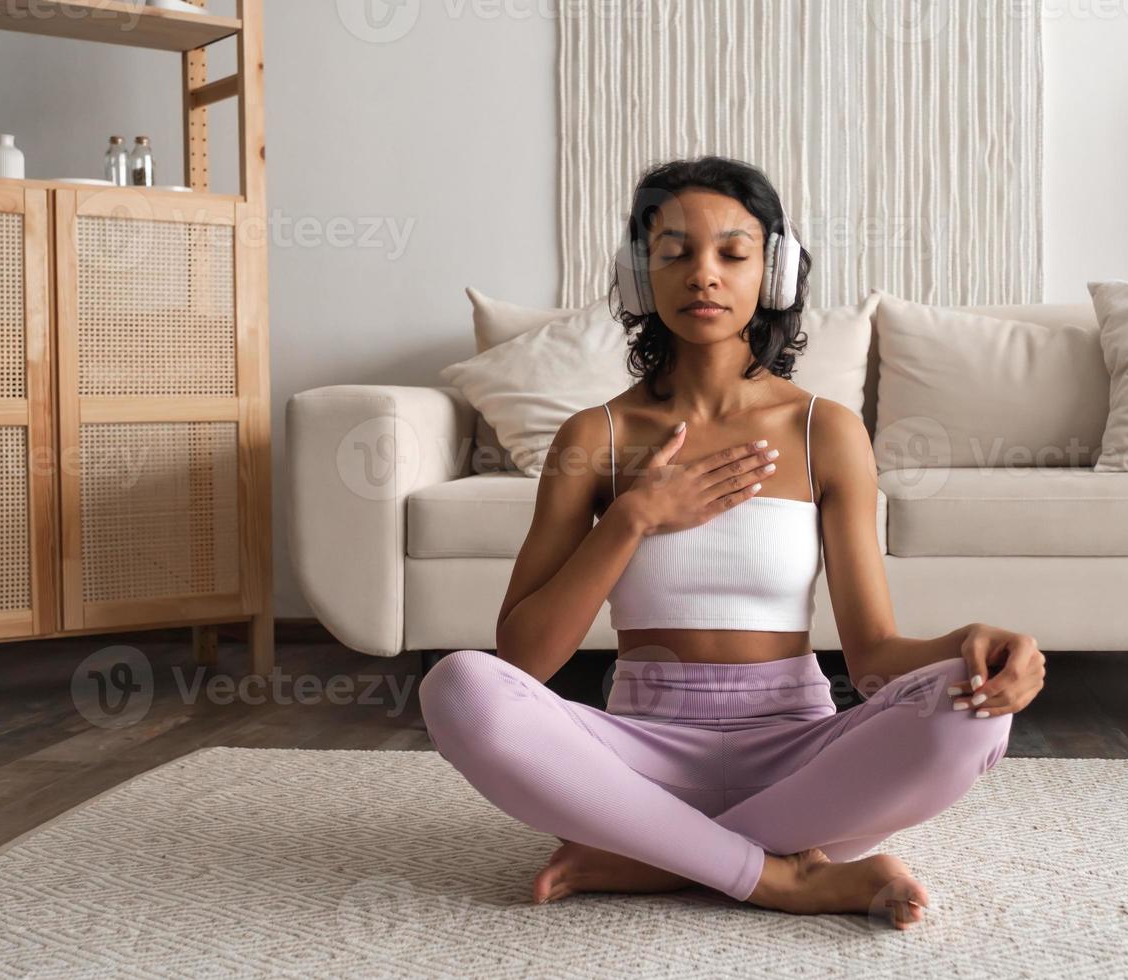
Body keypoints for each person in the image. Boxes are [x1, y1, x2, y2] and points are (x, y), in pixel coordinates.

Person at [419, 155, 1046, 930]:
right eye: (675, 252)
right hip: (633, 762)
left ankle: (655, 858)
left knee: (972, 711)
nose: (703, 274)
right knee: (458, 689)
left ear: (772, 272)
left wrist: (972, 642)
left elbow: (874, 659)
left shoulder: (826, 431)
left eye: (732, 253)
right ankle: (781, 878)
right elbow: (520, 661)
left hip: (799, 762)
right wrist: (632, 518)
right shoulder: (596, 437)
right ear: (640, 277)